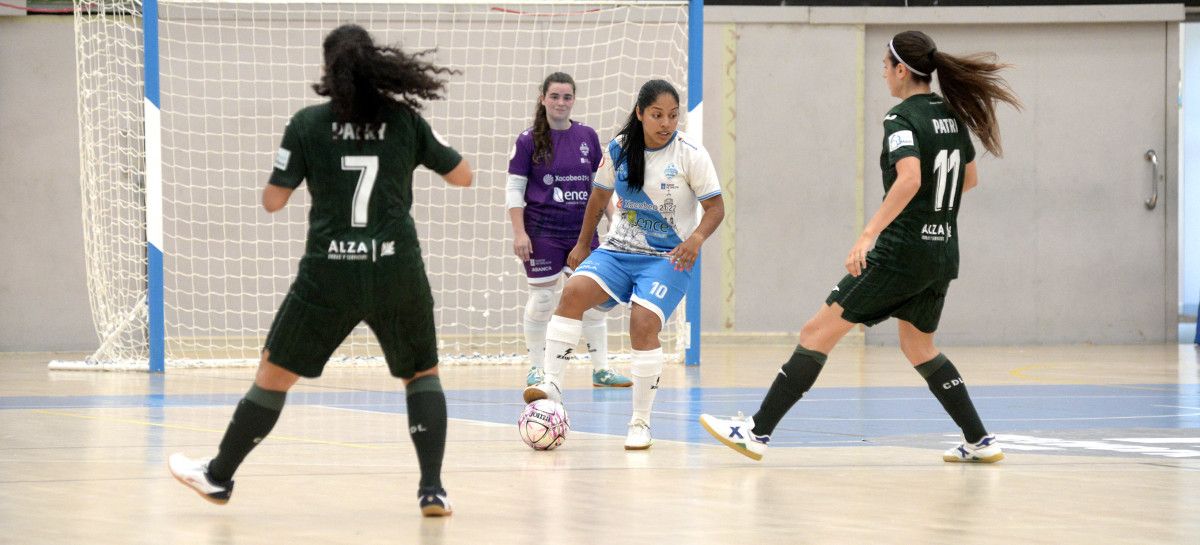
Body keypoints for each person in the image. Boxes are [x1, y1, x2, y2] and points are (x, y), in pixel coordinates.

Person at [167, 24, 472, 516]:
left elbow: (273, 202)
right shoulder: (405, 120)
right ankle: (432, 489)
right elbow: (463, 176)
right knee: (421, 373)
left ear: (328, 69)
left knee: (274, 374)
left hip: (328, 274)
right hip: (397, 268)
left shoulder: (307, 124)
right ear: (377, 67)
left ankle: (219, 476)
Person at [701, 30, 1021, 463]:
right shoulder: (951, 115)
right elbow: (969, 179)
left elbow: (909, 178)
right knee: (919, 347)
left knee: (816, 333)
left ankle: (755, 432)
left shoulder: (901, 119)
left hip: (901, 252)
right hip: (943, 252)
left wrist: (868, 234)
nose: (884, 76)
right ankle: (980, 441)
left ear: (901, 70)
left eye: (885, 68)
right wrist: (933, 216)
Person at [523, 79, 725, 450]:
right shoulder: (619, 148)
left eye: (673, 116)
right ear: (640, 114)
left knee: (643, 322)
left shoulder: (690, 153)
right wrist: (583, 244)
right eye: (657, 115)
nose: (666, 123)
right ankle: (552, 382)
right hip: (619, 249)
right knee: (572, 292)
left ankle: (640, 422)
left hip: (667, 257)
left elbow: (716, 209)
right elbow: (598, 197)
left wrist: (696, 239)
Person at [506, 72, 631, 389]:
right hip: (543, 233)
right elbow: (514, 191)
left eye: (567, 97)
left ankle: (601, 370)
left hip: (582, 232)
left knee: (590, 299)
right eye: (555, 96)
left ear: (573, 100)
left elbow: (599, 186)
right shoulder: (527, 141)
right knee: (543, 301)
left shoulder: (587, 135)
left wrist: (614, 220)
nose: (561, 102)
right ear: (543, 98)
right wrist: (520, 234)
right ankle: (537, 369)